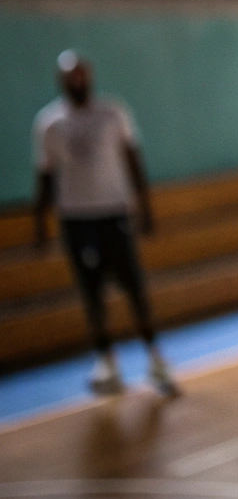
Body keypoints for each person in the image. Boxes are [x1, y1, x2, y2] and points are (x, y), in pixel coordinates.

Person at [33, 51, 177, 396]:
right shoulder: (50, 123)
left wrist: (146, 207)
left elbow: (133, 158)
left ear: (91, 77)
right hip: (77, 218)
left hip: (115, 212)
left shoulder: (113, 113)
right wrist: (40, 223)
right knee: (92, 292)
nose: (77, 81)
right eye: (71, 76)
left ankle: (156, 358)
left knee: (134, 287)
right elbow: (45, 176)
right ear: (62, 80)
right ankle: (107, 361)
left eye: (82, 74)